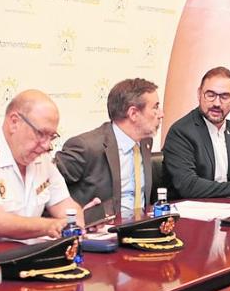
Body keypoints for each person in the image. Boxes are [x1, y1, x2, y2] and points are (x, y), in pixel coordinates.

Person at [0, 90, 83, 239]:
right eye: (40, 134)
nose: (46, 145)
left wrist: (76, 225)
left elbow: (65, 205)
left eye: (51, 136)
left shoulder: (41, 158)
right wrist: (51, 225)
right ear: (14, 122)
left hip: (35, 253)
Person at [55, 78, 160, 219]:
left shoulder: (145, 141)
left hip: (139, 226)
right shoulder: (86, 147)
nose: (161, 114)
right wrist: (78, 217)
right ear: (133, 113)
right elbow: (45, 190)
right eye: (155, 107)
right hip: (101, 232)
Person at [162, 67, 230, 198]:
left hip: (228, 207)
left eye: (224, 96)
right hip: (191, 211)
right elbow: (188, 185)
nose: (217, 103)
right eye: (210, 95)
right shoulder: (182, 132)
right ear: (199, 94)